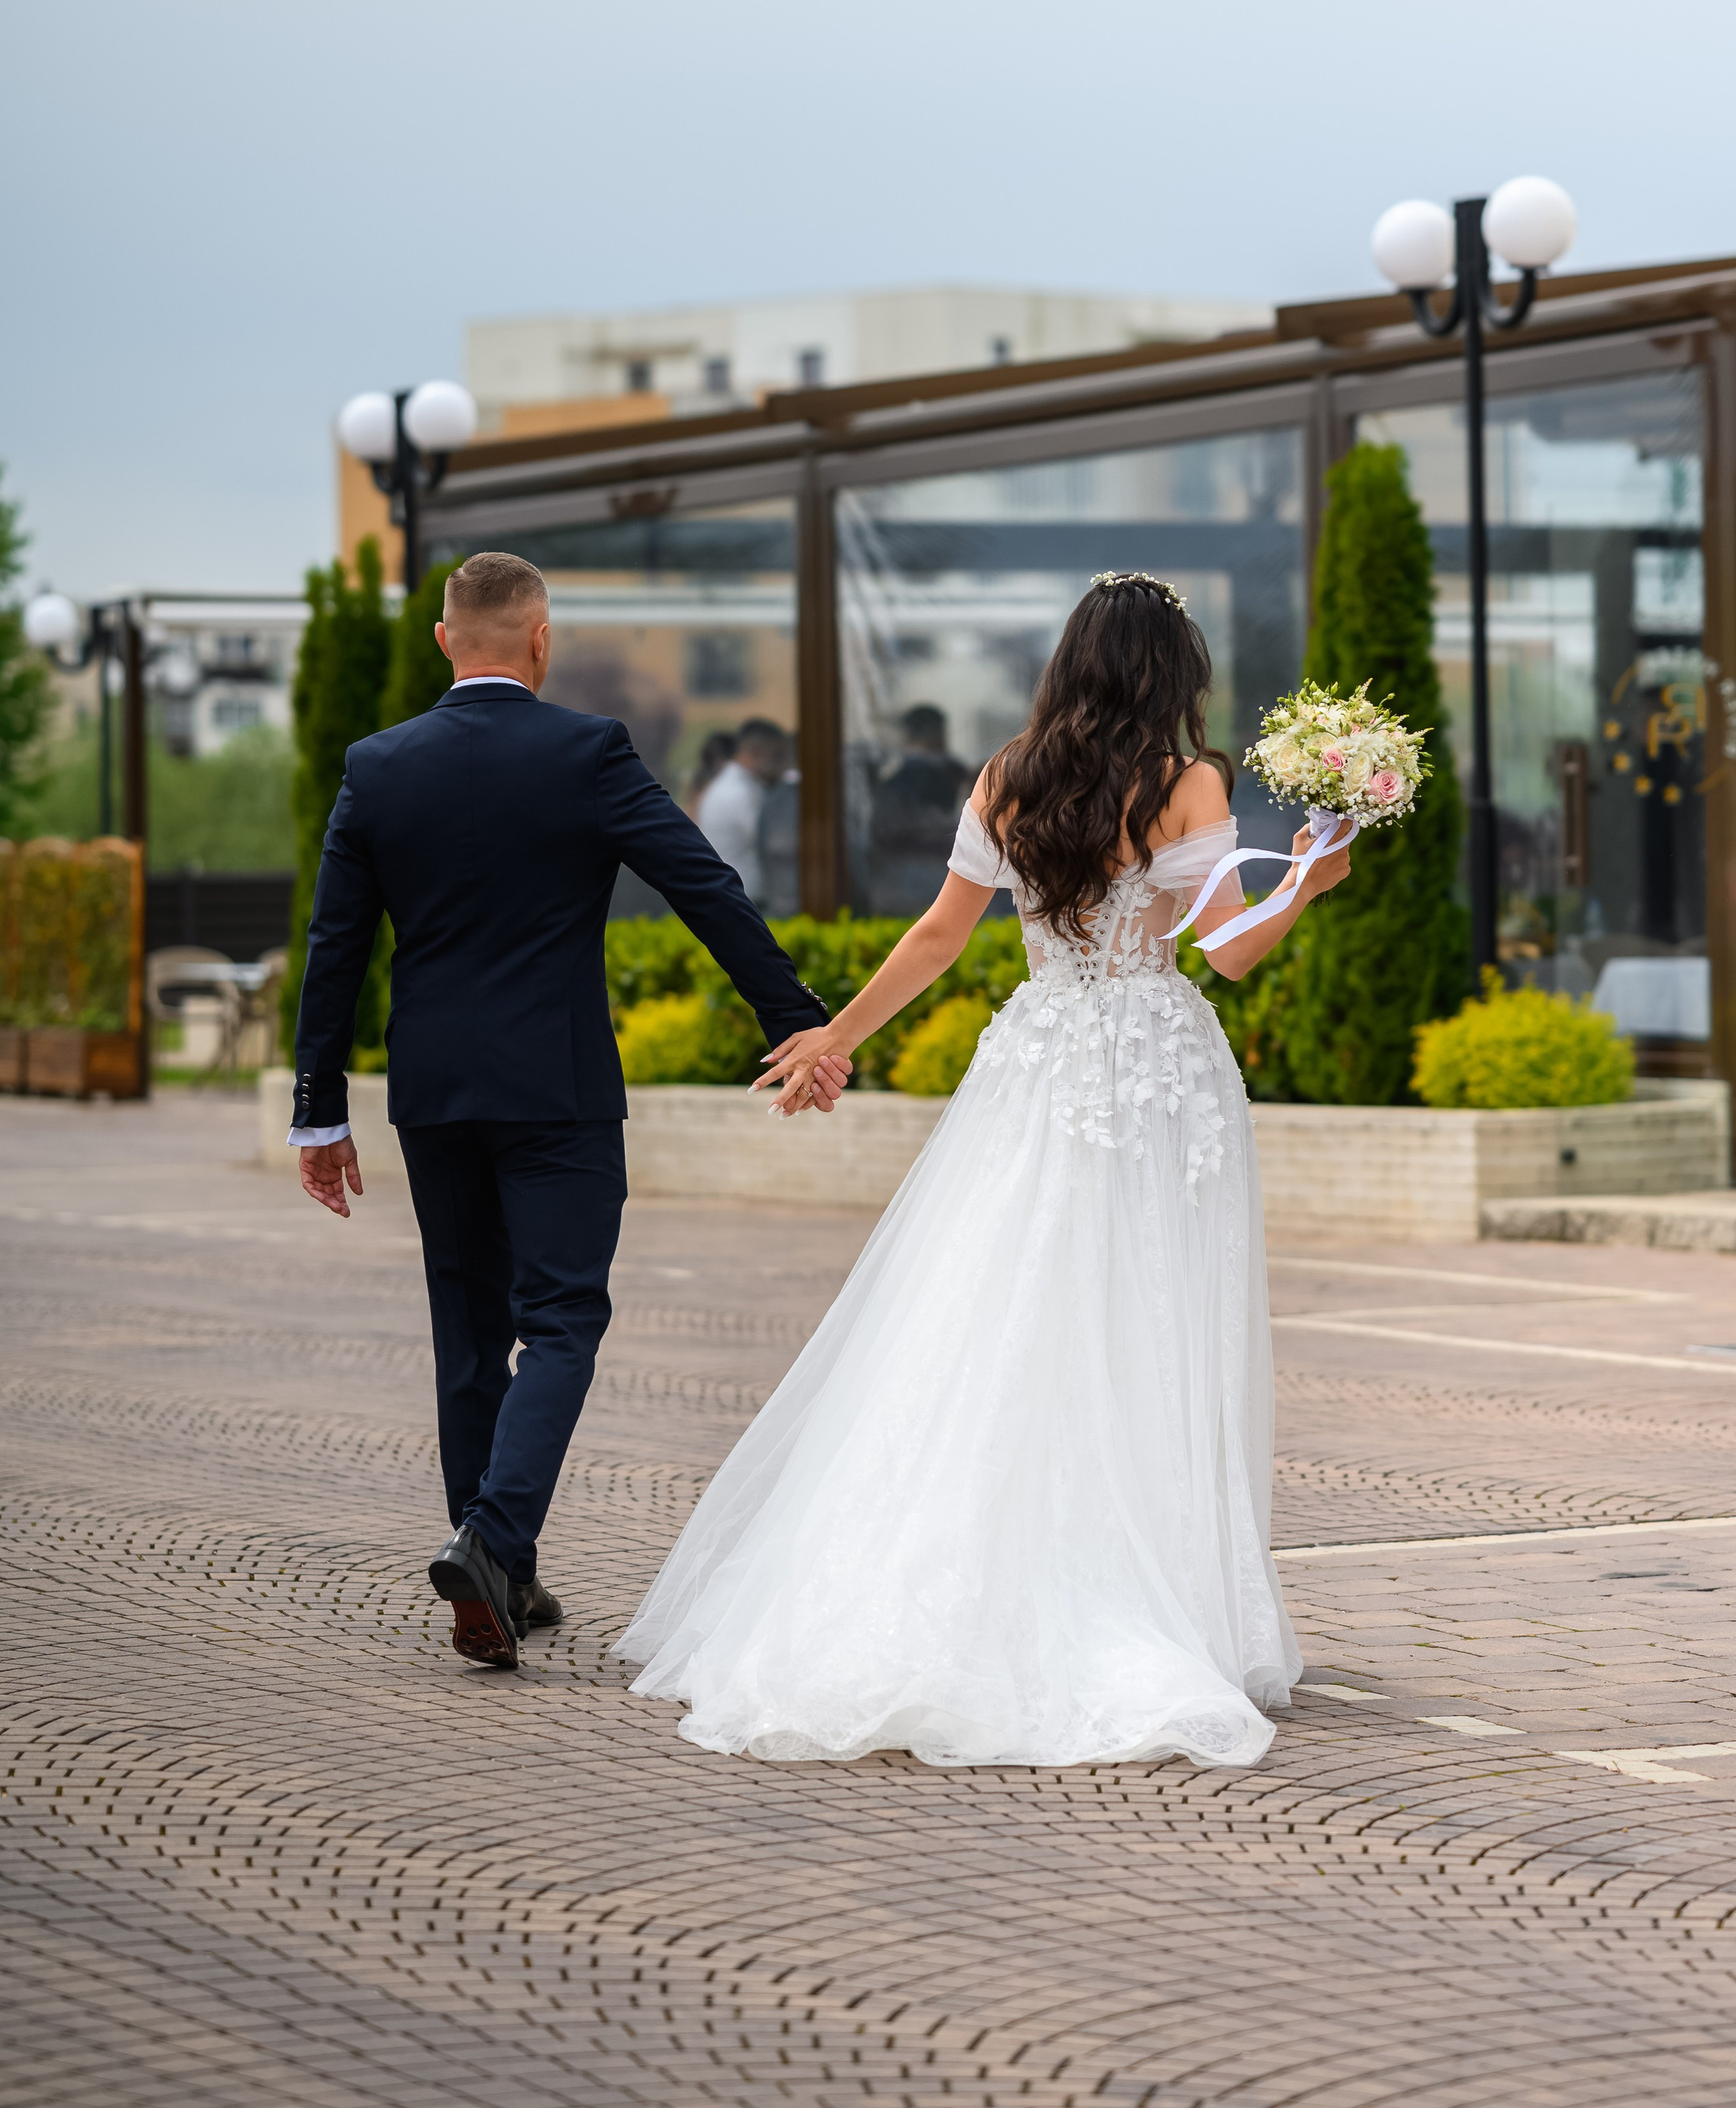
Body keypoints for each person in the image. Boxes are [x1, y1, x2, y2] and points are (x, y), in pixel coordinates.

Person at [616, 572, 1352, 1770]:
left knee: (998, 1305)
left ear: (1071, 661)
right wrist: (1310, 879)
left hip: (1041, 1059)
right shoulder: (1186, 782)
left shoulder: (1009, 776)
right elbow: (1231, 953)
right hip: (1155, 1068)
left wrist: (835, 1034)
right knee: (1146, 1318)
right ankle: (1139, 1592)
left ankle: (965, 1576)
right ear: (1172, 675)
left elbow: (941, 936)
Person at [289, 553, 846, 1671]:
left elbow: (335, 945)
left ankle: (498, 1563)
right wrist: (799, 1019)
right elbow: (704, 884)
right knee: (561, 1317)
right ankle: (492, 1543)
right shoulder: (588, 751)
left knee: (467, 1322)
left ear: (449, 641)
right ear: (540, 640)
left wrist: (318, 1109)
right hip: (557, 1088)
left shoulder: (378, 766)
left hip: (435, 1092)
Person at [869, 703, 974, 912]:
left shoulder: (896, 779)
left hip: (902, 885)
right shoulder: (959, 774)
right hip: (951, 879)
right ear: (941, 735)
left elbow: (880, 833)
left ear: (908, 736)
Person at [694, 717, 789, 902]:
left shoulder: (731, 785)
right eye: (777, 756)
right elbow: (775, 841)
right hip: (742, 897)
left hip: (732, 893)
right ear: (755, 752)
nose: (782, 765)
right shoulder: (740, 792)